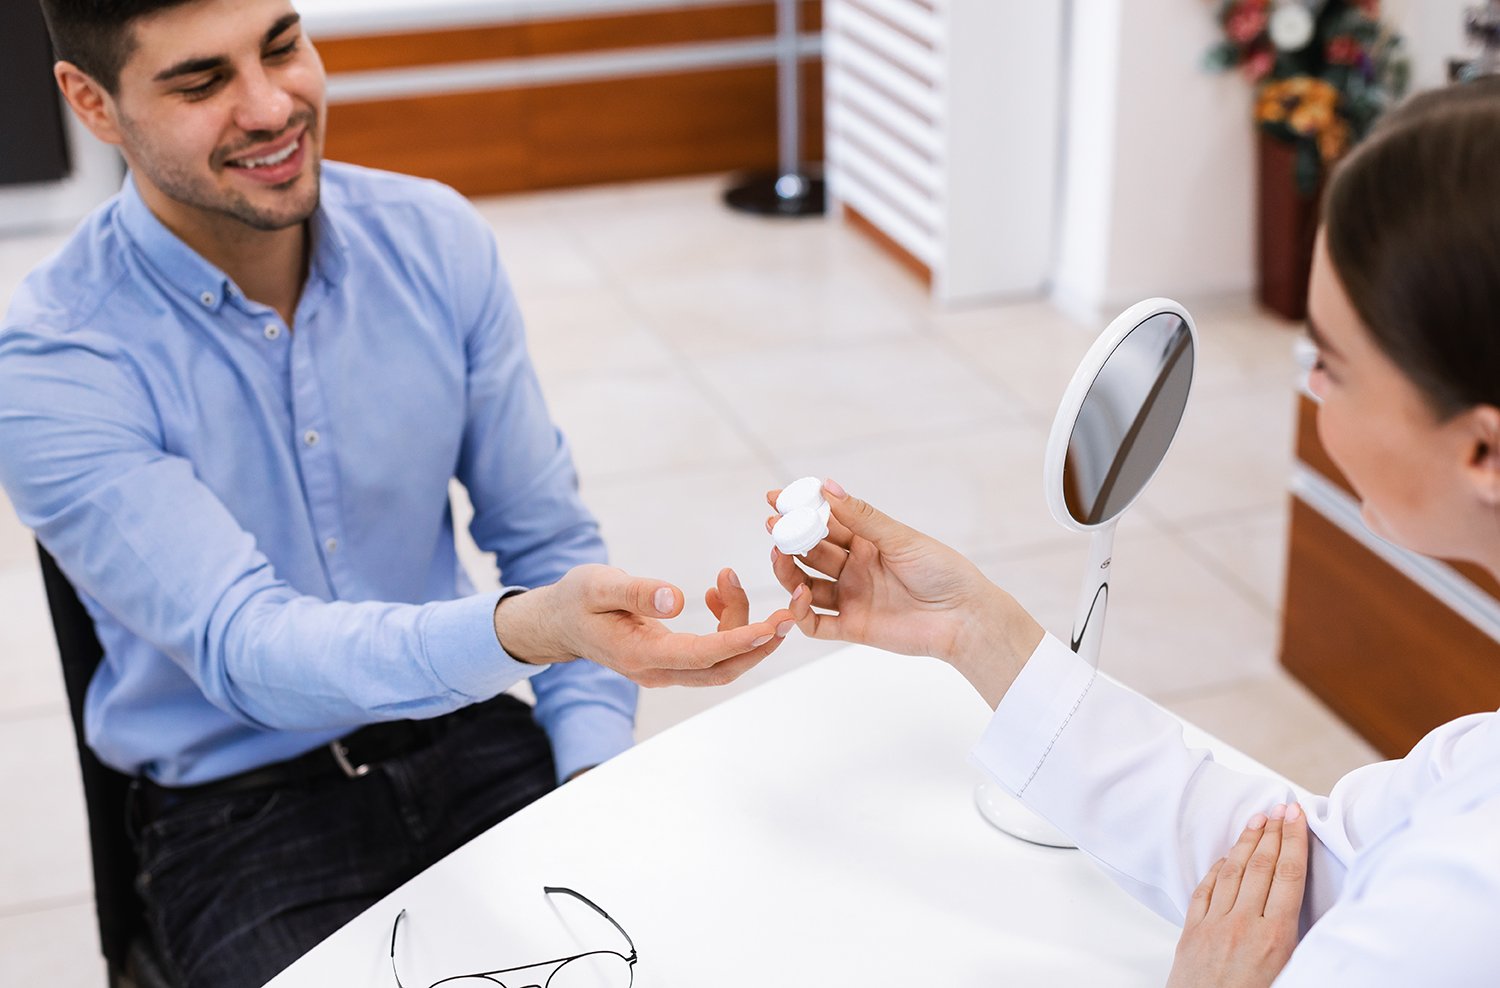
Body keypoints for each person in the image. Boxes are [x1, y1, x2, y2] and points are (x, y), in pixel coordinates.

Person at [0, 1, 795, 985]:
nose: (270, 106)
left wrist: (592, 784)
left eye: (283, 47)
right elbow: (250, 647)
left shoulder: (433, 241)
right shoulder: (55, 358)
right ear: (94, 104)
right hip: (241, 817)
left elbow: (546, 539)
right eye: (202, 82)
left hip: (467, 735)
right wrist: (521, 629)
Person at [767, 78, 1500, 987]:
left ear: (1482, 451)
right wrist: (976, 629)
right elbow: (1295, 867)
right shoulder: (1478, 772)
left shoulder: (1469, 906)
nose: (1307, 389)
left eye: (1332, 365)